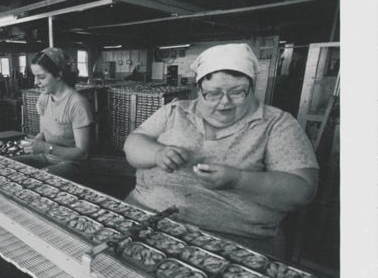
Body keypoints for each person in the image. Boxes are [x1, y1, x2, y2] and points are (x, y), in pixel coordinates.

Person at [123, 43, 318, 257]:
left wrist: (239, 180)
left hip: (233, 243)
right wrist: (156, 153)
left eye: (237, 92)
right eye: (213, 94)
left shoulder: (276, 124)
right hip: (144, 216)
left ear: (252, 88)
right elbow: (133, 143)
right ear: (199, 90)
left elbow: (302, 191)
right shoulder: (174, 111)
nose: (225, 102)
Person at [21, 47, 94, 180]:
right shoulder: (44, 98)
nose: (35, 82)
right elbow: (44, 132)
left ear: (59, 74)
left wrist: (46, 148)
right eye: (35, 77)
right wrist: (36, 141)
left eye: (41, 77)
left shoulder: (77, 104)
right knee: (10, 165)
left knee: (35, 179)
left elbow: (82, 153)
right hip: (47, 158)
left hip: (72, 164)